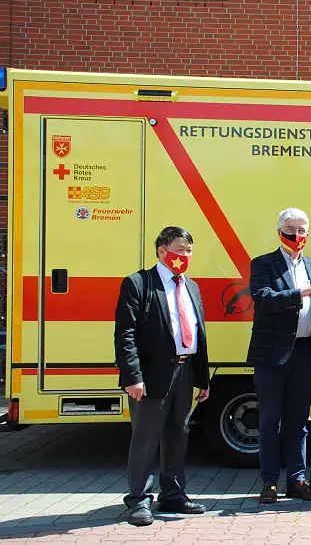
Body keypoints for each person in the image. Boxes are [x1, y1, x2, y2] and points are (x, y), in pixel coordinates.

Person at [114, 226, 210, 527]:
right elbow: (125, 334)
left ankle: (174, 494)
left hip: (185, 371)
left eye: (189, 251)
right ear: (161, 251)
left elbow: (198, 333)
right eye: (180, 249)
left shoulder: (191, 286)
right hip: (151, 376)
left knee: (177, 436)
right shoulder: (139, 283)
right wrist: (132, 376)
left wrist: (202, 379)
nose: (185, 256)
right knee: (146, 438)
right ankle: (139, 500)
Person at [248, 208, 311, 503]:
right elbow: (263, 298)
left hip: (305, 353)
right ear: (279, 231)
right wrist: (299, 293)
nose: (297, 235)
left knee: (298, 421)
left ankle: (297, 480)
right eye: (291, 229)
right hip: (273, 356)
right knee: (269, 421)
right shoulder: (264, 264)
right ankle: (269, 482)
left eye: (302, 229)